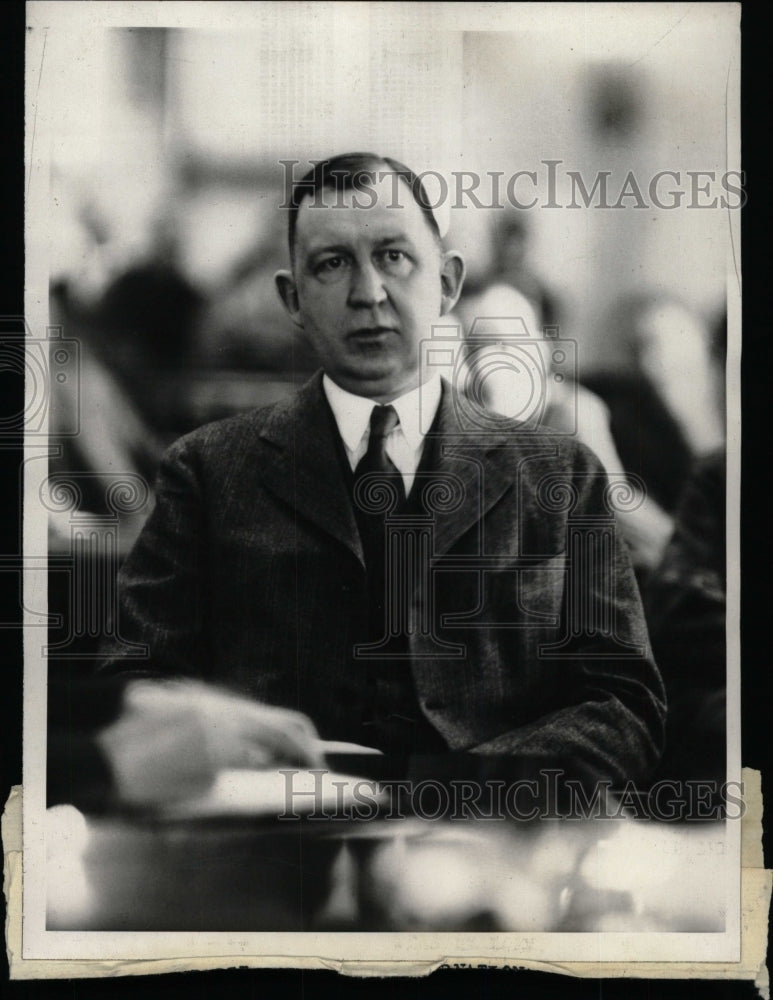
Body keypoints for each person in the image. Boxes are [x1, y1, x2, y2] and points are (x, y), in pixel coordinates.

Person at [100, 153, 665, 790]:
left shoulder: (559, 475)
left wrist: (468, 790)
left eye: (394, 256)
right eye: (332, 263)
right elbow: (135, 686)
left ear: (448, 283)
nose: (367, 294)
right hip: (279, 848)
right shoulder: (208, 472)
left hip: (492, 845)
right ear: (293, 299)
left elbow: (624, 709)